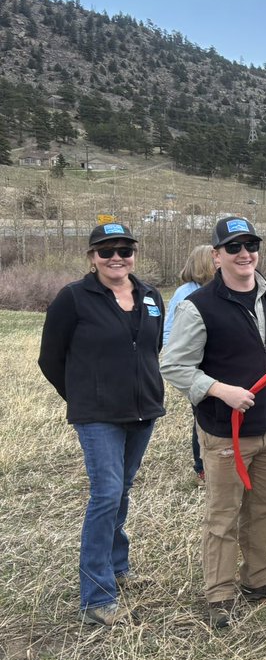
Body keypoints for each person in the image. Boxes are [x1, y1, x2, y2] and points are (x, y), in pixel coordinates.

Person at [160, 217, 266, 629]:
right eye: (234, 247)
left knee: (265, 507)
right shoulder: (198, 305)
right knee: (223, 514)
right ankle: (220, 593)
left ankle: (258, 579)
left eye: (250, 245)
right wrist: (220, 390)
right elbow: (173, 365)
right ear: (216, 255)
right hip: (226, 430)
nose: (245, 254)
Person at [38, 222, 166, 627]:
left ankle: (117, 566)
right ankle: (96, 596)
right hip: (97, 416)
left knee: (121, 490)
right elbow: (50, 358)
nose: (116, 258)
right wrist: (83, 396)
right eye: (106, 251)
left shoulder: (150, 296)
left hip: (143, 410)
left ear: (134, 255)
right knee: (106, 494)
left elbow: (153, 346)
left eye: (124, 250)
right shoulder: (73, 298)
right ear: (92, 257)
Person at [165, 244, 215, 482]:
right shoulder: (186, 293)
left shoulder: (218, 290)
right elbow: (169, 333)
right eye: (214, 259)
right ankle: (202, 466)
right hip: (197, 367)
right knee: (202, 417)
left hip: (216, 365)